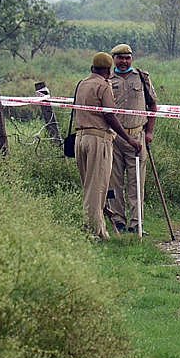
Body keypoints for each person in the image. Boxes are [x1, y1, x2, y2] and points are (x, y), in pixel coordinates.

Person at [71, 52, 142, 240]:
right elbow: (110, 116)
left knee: (89, 186)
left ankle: (99, 228)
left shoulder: (82, 84)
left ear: (92, 68)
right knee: (98, 188)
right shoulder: (103, 85)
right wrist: (129, 139)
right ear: (108, 70)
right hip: (98, 140)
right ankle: (94, 232)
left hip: (80, 138)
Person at [106, 43, 158, 234]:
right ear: (114, 60)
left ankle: (136, 224)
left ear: (132, 59)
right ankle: (118, 221)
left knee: (136, 182)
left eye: (127, 58)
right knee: (115, 181)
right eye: (120, 58)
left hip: (137, 136)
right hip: (114, 138)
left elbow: (153, 105)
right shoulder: (107, 80)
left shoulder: (142, 78)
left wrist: (149, 132)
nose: (124, 61)